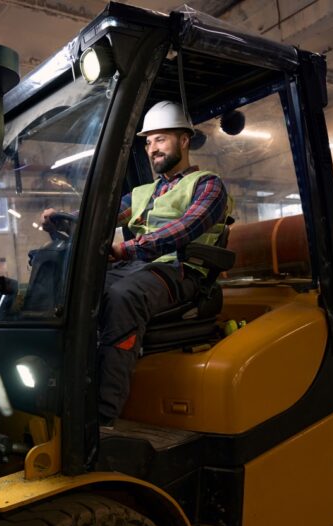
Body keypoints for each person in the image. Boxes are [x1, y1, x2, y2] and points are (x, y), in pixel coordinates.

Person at [43, 100, 232, 426]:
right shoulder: (144, 192)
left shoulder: (208, 185)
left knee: (123, 297)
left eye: (160, 139)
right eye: (148, 142)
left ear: (183, 140)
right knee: (74, 289)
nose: (152, 148)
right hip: (140, 266)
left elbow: (185, 229)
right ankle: (64, 395)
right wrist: (66, 219)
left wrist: (129, 248)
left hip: (182, 270)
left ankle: (102, 418)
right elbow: (104, 218)